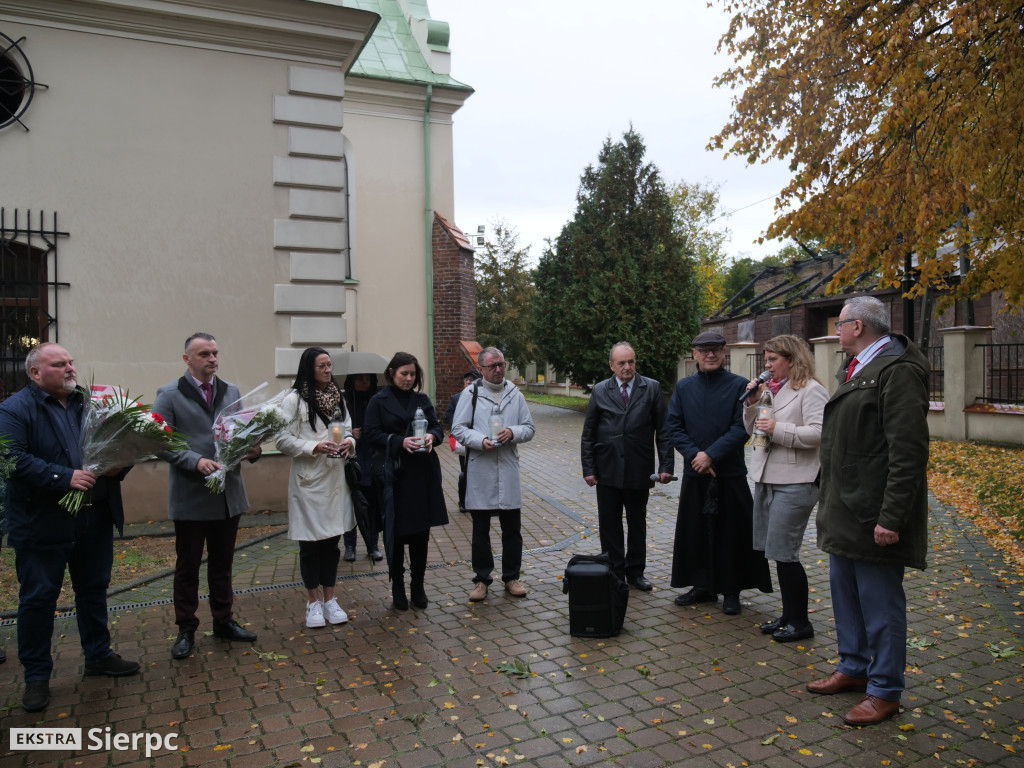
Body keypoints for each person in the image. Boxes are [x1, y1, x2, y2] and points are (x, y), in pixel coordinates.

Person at [806, 296, 930, 726]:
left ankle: (885, 690)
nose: (836, 331)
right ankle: (854, 668)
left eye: (839, 324)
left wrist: (892, 517)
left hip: (873, 514)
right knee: (846, 597)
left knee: (881, 605)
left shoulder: (898, 372)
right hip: (845, 509)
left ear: (858, 327)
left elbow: (909, 452)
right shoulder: (856, 368)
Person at [0, 343, 139, 712]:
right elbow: (10, 460)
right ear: (35, 373)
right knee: (39, 599)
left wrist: (118, 466)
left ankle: (98, 656)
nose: (70, 369)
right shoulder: (14, 409)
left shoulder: (91, 402)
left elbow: (118, 446)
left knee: (93, 589)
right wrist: (63, 476)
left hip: (94, 517)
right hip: (42, 522)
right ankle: (36, 677)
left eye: (71, 362)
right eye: (59, 364)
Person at [154, 333, 259, 660]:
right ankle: (186, 628)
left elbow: (241, 433)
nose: (212, 358)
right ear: (187, 358)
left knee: (223, 564)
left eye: (215, 352)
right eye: (204, 354)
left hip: (227, 493)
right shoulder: (169, 394)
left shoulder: (232, 390)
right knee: (188, 567)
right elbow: (160, 442)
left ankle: (224, 621)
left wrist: (251, 448)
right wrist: (194, 461)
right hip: (192, 495)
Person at [666, 330, 771, 615]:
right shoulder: (684, 387)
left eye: (716, 350)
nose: (710, 354)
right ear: (695, 354)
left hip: (729, 473)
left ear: (723, 354)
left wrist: (711, 454)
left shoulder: (740, 386)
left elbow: (743, 427)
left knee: (731, 535)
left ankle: (732, 589)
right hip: (696, 473)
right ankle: (702, 586)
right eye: (705, 350)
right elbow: (674, 426)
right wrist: (695, 456)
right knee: (696, 533)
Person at [742, 335, 828, 642]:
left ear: (791, 360)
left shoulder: (812, 390)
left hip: (797, 481)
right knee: (776, 552)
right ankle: (788, 616)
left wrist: (780, 429)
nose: (767, 366)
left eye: (772, 360)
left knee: (785, 552)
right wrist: (753, 403)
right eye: (765, 360)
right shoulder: (770, 391)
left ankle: (801, 623)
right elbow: (755, 432)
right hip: (767, 477)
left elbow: (820, 433)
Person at [581, 342, 673, 590]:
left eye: (631, 362)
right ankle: (613, 571)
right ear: (612, 365)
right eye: (621, 363)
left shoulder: (651, 388)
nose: (627, 367)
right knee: (609, 523)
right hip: (607, 469)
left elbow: (663, 432)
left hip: (639, 468)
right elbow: (589, 433)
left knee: (637, 523)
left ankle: (635, 572)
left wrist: (666, 466)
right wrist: (588, 469)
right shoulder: (600, 390)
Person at [276, 347, 356, 628]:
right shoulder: (294, 400)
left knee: (332, 544)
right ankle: (312, 603)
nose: (327, 370)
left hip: (334, 478)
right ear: (309, 368)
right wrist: (314, 446)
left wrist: (349, 443)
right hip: (309, 481)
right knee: (310, 546)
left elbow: (347, 428)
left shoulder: (339, 397)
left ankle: (330, 599)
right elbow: (282, 440)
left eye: (329, 365)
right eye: (321, 366)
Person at [363, 352, 448, 610]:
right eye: (404, 374)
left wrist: (432, 438)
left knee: (421, 534)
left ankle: (418, 586)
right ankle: (398, 586)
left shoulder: (421, 399)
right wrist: (400, 442)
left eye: (412, 374)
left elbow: (437, 428)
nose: (409, 379)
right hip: (395, 475)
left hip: (422, 474)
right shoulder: (378, 400)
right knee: (396, 534)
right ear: (392, 373)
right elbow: (370, 433)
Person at [452, 347, 536, 602]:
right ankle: (481, 579)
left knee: (512, 528)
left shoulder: (514, 394)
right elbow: (458, 428)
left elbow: (529, 428)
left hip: (508, 467)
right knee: (481, 529)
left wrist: (512, 432)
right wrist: (480, 440)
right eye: (493, 366)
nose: (499, 370)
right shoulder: (471, 394)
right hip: (481, 467)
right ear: (481, 369)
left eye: (501, 364)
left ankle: (511, 577)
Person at [342, 372, 383, 562]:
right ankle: (350, 545)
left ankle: (372, 544)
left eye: (368, 378)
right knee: (350, 503)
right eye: (360, 378)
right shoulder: (342, 401)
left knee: (371, 504)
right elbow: (334, 428)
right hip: (351, 459)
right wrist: (350, 433)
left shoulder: (377, 400)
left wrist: (367, 432)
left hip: (372, 459)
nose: (365, 382)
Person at [444, 368, 482, 512]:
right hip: (465, 440)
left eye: (472, 379)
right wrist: (460, 424)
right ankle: (463, 502)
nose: (468, 381)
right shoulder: (456, 398)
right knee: (466, 472)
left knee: (480, 472)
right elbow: (448, 415)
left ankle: (478, 501)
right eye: (466, 379)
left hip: (480, 440)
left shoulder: (482, 397)